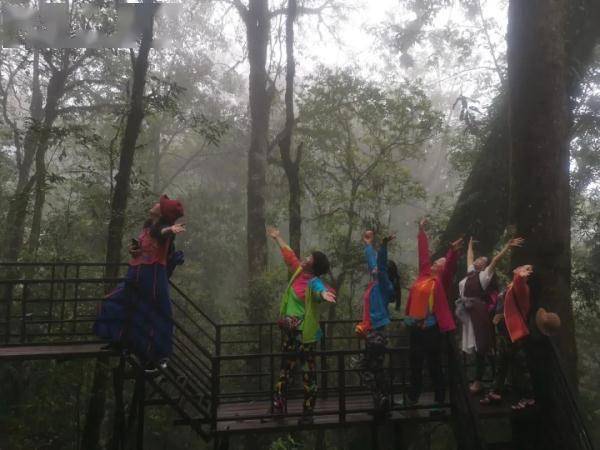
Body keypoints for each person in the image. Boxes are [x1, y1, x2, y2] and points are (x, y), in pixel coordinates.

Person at [94, 194, 185, 370]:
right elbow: (146, 246)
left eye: (159, 204)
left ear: (162, 213)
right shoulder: (147, 226)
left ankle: (157, 356)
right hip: (136, 272)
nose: (155, 204)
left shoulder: (163, 228)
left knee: (155, 313)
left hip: (152, 276)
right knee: (120, 303)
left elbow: (161, 233)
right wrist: (134, 251)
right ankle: (120, 340)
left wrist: (171, 229)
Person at [267, 227, 336, 425]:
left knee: (308, 373)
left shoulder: (313, 282)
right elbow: (290, 256)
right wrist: (277, 238)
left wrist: (323, 294)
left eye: (310, 258)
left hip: (304, 335)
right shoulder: (298, 272)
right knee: (285, 371)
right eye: (307, 257)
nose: (305, 258)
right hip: (290, 333)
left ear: (314, 267)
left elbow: (319, 289)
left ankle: (308, 413)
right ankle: (278, 408)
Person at [403, 218, 462, 413]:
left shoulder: (441, 281)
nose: (437, 262)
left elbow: (451, 267)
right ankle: (412, 398)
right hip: (416, 328)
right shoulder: (424, 275)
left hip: (432, 329)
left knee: (435, 365)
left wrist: (452, 252)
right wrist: (421, 231)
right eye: (437, 260)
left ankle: (439, 401)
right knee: (415, 364)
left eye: (441, 262)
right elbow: (423, 255)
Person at [455, 236, 524, 394]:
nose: (478, 260)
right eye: (478, 259)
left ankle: (480, 381)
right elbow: (469, 258)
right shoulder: (470, 273)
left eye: (482, 260)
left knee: (481, 345)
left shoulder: (484, 276)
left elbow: (495, 261)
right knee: (478, 346)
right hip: (468, 311)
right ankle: (494, 379)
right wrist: (470, 246)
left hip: (477, 312)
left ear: (484, 266)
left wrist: (507, 247)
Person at [480, 264, 536, 410]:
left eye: (523, 269)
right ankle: (495, 391)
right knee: (501, 362)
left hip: (514, 332)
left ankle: (528, 397)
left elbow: (518, 281)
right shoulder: (511, 286)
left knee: (519, 366)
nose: (518, 269)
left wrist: (522, 274)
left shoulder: (522, 287)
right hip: (504, 331)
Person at [356, 230, 397, 414]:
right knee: (377, 368)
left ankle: (380, 399)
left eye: (379, 270)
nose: (374, 268)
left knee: (365, 367)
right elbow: (374, 263)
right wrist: (368, 245)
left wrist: (384, 246)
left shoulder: (382, 285)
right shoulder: (375, 284)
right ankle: (383, 401)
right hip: (371, 332)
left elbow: (379, 264)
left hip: (376, 333)